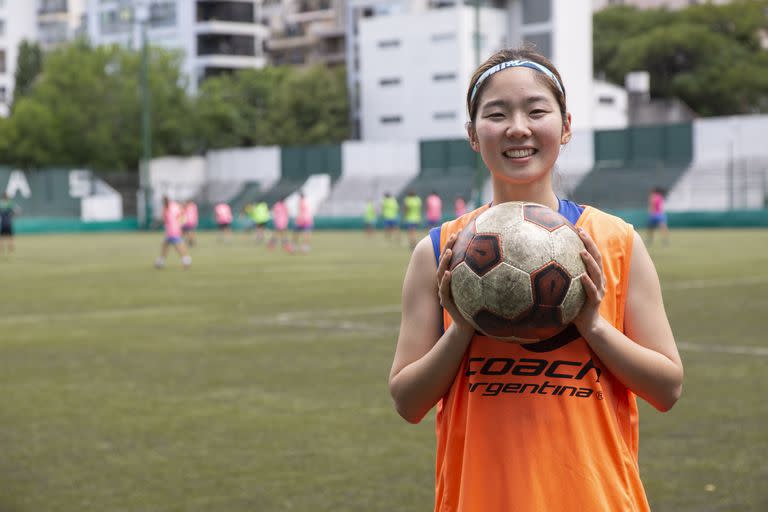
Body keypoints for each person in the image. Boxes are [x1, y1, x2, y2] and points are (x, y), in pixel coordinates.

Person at [388, 47, 684, 512]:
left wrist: (594, 326)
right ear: (472, 134)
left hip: (596, 499)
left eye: (536, 110)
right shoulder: (439, 251)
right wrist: (463, 323)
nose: (518, 128)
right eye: (497, 114)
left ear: (565, 127)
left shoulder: (616, 242)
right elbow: (407, 401)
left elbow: (667, 389)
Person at [155, 196, 191, 269]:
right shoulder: (175, 205)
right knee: (165, 246)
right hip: (174, 230)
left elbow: (164, 219)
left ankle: (186, 261)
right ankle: (161, 261)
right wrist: (181, 225)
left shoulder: (166, 208)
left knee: (178, 247)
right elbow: (182, 215)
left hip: (172, 231)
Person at [0, 192, 21, 257]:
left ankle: (1, 250)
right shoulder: (10, 203)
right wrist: (13, 215)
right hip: (9, 222)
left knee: (1, 237)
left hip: (2, 223)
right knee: (10, 237)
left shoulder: (0, 203)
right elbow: (17, 210)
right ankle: (10, 250)